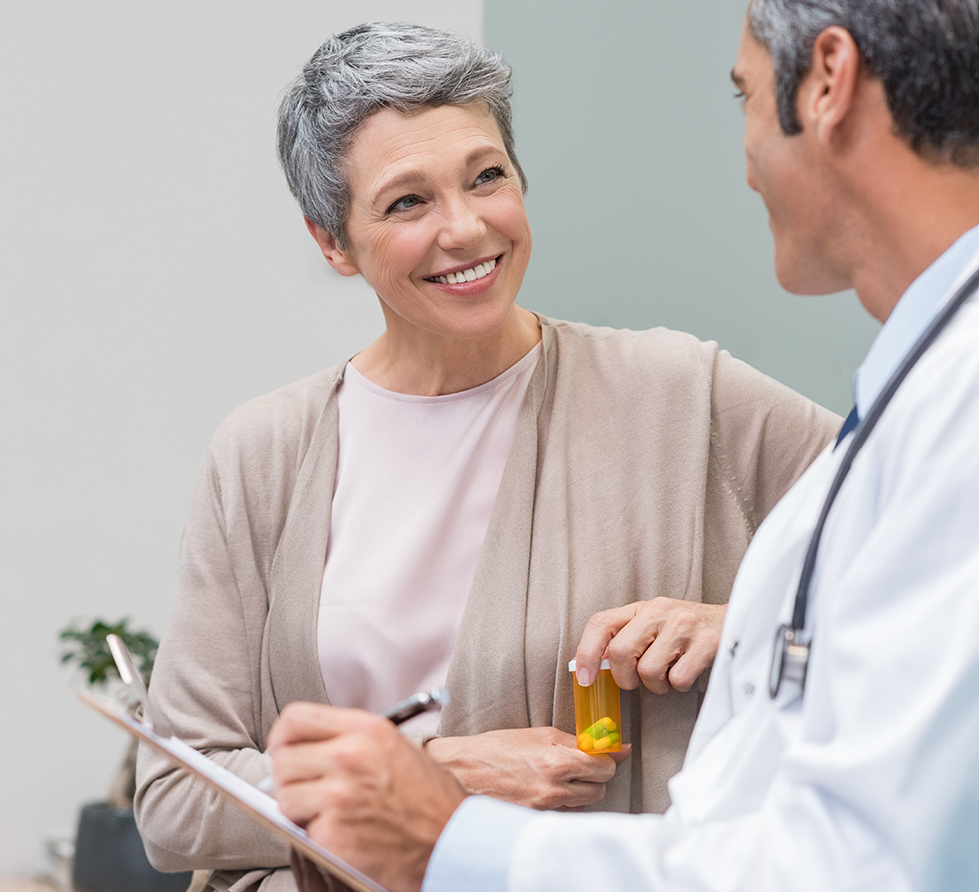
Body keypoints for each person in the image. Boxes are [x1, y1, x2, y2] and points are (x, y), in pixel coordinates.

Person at [265, 1, 979, 890]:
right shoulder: (972, 371)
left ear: (828, 81)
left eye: (742, 94)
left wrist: (450, 840)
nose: (744, 162)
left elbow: (863, 868)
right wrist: (747, 630)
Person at [132, 21, 839, 892]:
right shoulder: (264, 453)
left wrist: (741, 623)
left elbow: (935, 556)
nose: (466, 228)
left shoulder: (683, 392)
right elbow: (174, 795)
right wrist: (442, 776)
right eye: (406, 202)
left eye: (486, 177)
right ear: (331, 242)